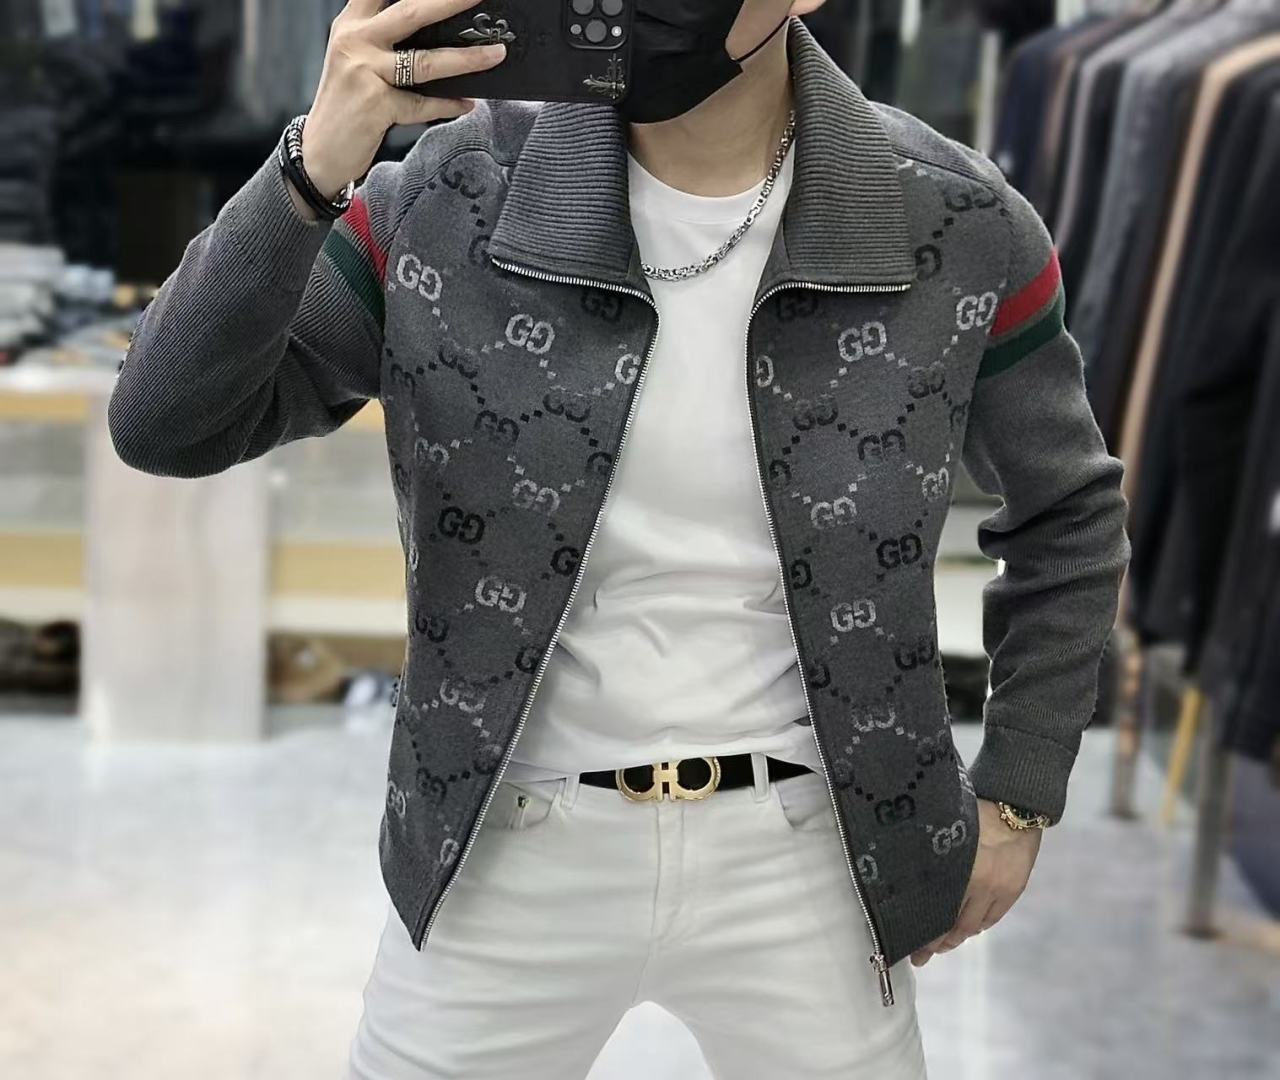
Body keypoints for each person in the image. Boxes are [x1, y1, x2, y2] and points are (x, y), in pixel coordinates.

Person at [107, 0, 1132, 1076]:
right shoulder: (450, 199)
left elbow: (1067, 511)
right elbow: (166, 422)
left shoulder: (953, 223)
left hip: (817, 853)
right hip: (500, 839)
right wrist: (312, 168)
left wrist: (1019, 788)